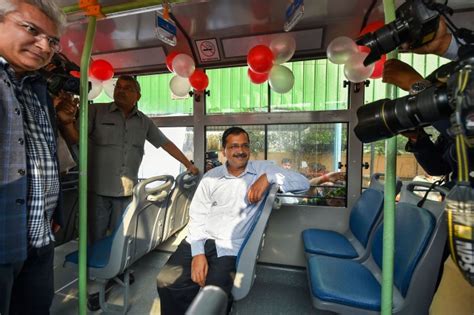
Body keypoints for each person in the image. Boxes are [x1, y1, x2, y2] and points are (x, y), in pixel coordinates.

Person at [156, 127, 309, 315]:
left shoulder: (263, 169)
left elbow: (303, 184)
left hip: (230, 245)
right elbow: (197, 214)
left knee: (214, 294)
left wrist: (268, 178)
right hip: (201, 238)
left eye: (244, 145)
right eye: (234, 146)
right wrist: (198, 254)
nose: (240, 151)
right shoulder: (211, 178)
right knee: (166, 280)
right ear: (224, 152)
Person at [59, 75, 199, 243]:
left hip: (126, 192)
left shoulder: (143, 122)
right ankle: (94, 269)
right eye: (118, 87)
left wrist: (187, 164)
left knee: (122, 239)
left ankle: (117, 269)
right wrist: (67, 124)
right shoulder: (95, 111)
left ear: (137, 96)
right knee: (94, 239)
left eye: (127, 88)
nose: (121, 91)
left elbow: (165, 143)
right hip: (96, 191)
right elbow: (75, 139)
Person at [0, 0, 67, 314]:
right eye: (31, 29)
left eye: (52, 41)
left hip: (40, 237)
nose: (44, 45)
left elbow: (44, 156)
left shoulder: (37, 88)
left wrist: (54, 215)